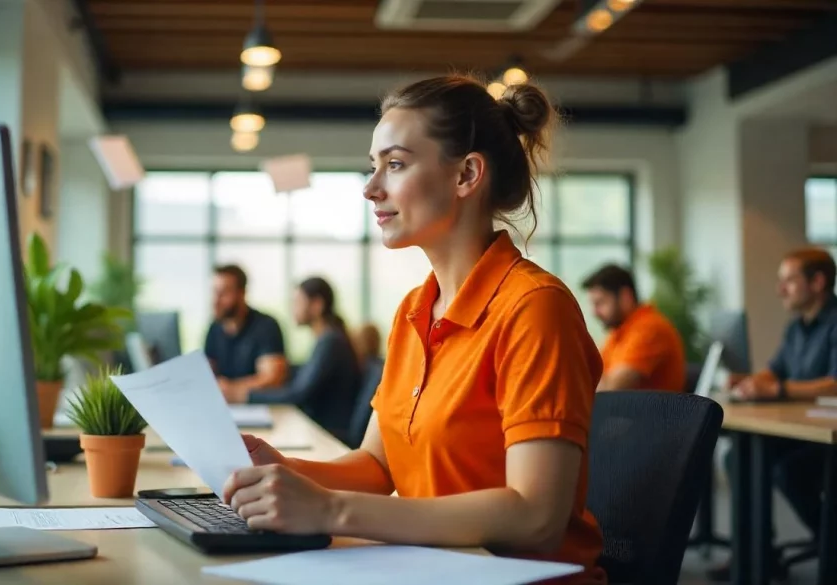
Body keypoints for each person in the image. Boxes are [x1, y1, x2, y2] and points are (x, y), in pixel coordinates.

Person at [221, 75, 607, 585]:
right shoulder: (413, 311)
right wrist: (286, 469)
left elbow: (536, 518)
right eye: (374, 164)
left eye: (395, 164)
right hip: (429, 569)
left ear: (467, 174)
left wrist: (333, 511)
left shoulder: (534, 309)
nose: (370, 186)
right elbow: (378, 468)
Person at [708, 247, 834, 582]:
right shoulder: (796, 329)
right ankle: (759, 553)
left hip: (826, 436)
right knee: (739, 457)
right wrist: (750, 381)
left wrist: (777, 390)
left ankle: (829, 544)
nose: (780, 290)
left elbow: (835, 384)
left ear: (818, 281)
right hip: (800, 430)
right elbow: (773, 371)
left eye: (789, 281)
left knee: (786, 470)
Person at [226, 277, 362, 441]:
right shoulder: (328, 338)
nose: (293, 308)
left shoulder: (331, 342)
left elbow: (297, 395)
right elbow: (305, 378)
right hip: (318, 429)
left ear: (317, 305)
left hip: (327, 435)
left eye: (298, 302)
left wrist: (244, 395)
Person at [581, 264, 686, 392]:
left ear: (625, 297)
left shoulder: (649, 329)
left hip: (652, 411)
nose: (595, 312)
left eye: (601, 303)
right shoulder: (620, 331)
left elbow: (610, 388)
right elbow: (594, 374)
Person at [204, 264, 288, 396]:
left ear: (242, 293)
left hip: (260, 407)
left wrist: (231, 388)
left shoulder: (266, 326)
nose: (216, 300)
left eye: (224, 293)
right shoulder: (214, 328)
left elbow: (272, 379)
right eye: (215, 292)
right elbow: (207, 374)